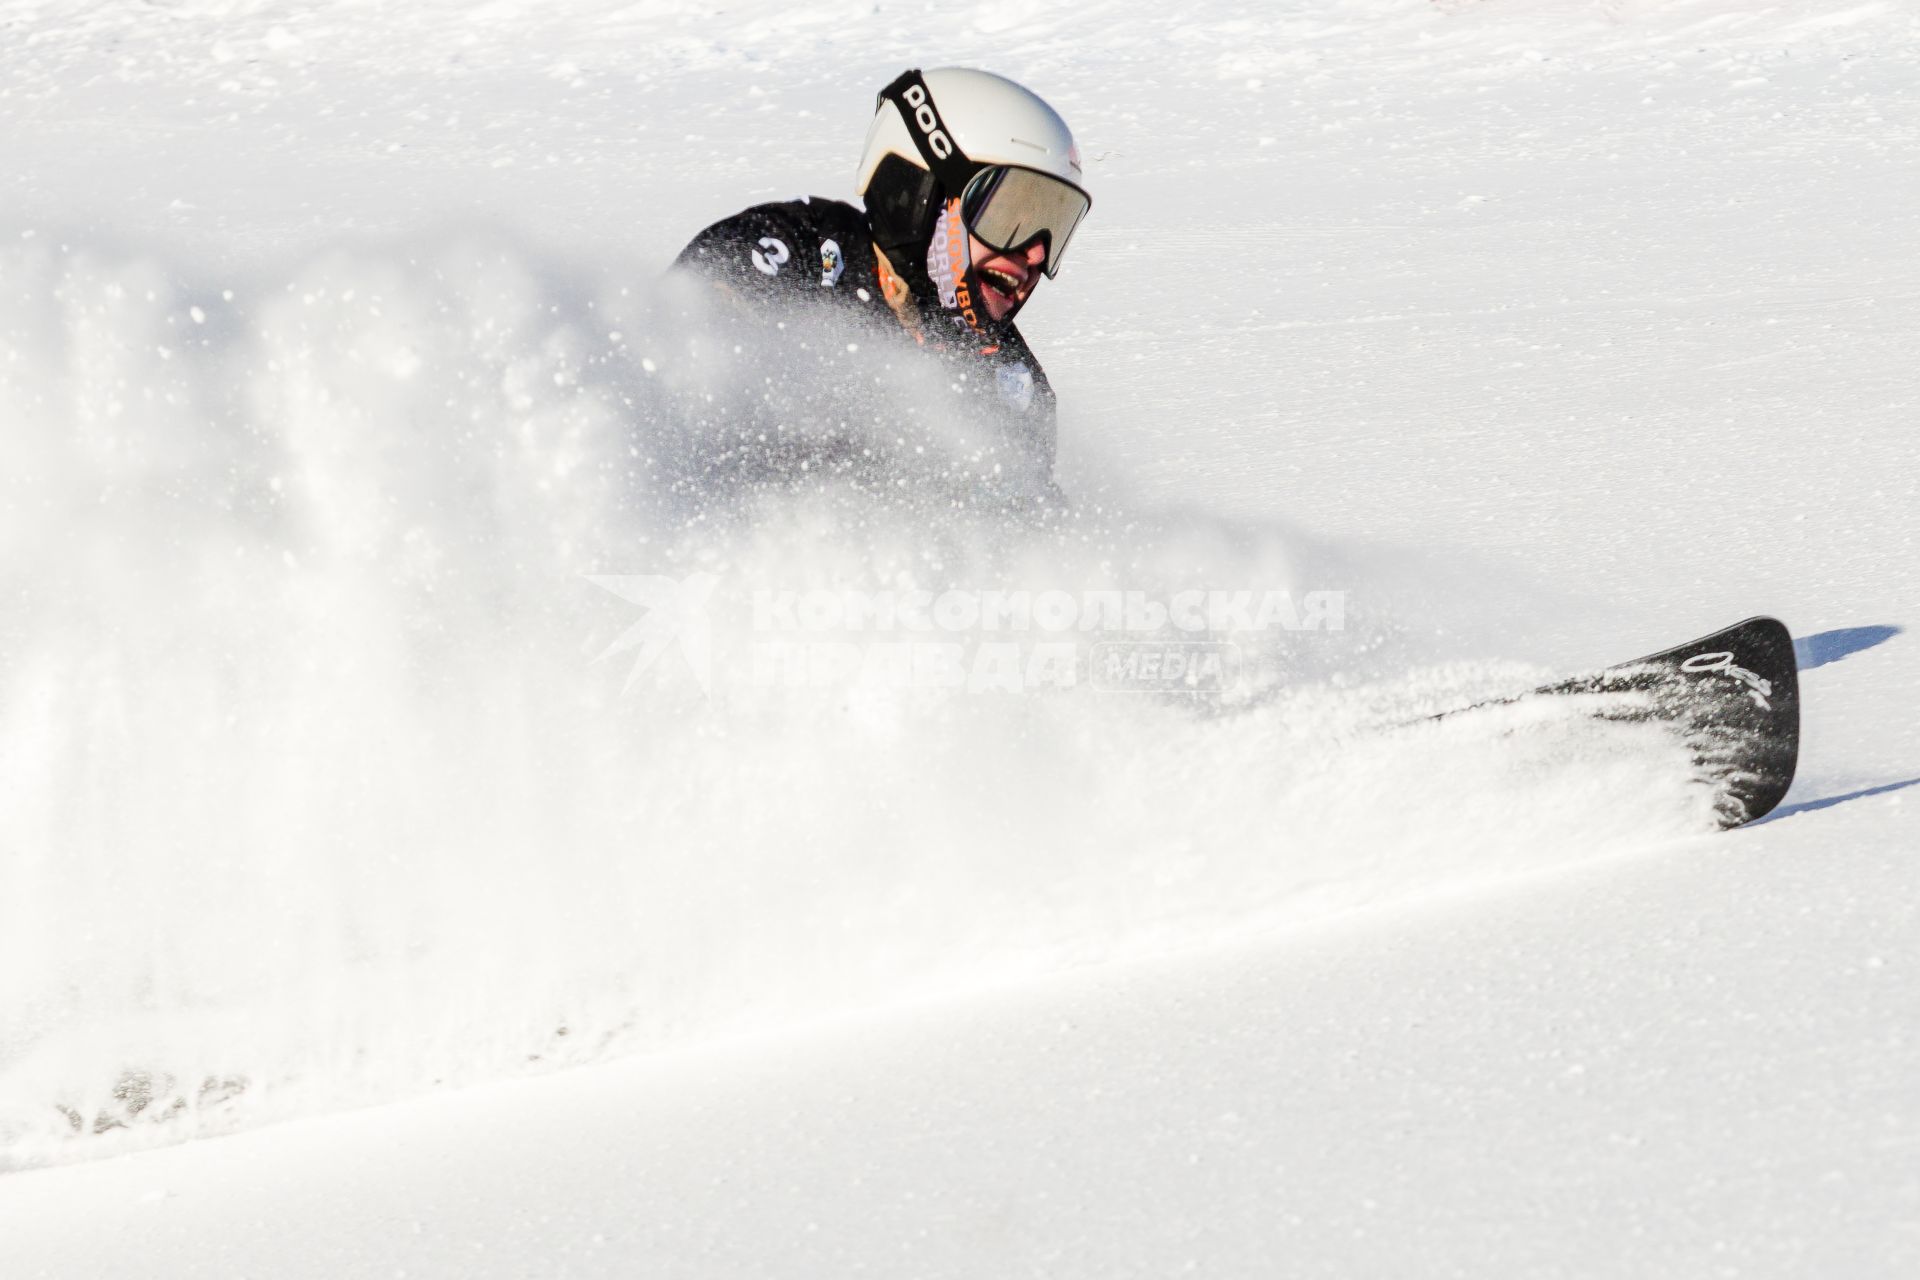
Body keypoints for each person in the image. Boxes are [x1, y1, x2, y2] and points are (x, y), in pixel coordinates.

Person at [671, 67, 1091, 497]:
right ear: (924, 191)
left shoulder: (1013, 382)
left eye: (1052, 224)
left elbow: (1034, 547)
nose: (1036, 252)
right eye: (1010, 215)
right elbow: (664, 385)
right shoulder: (794, 250)